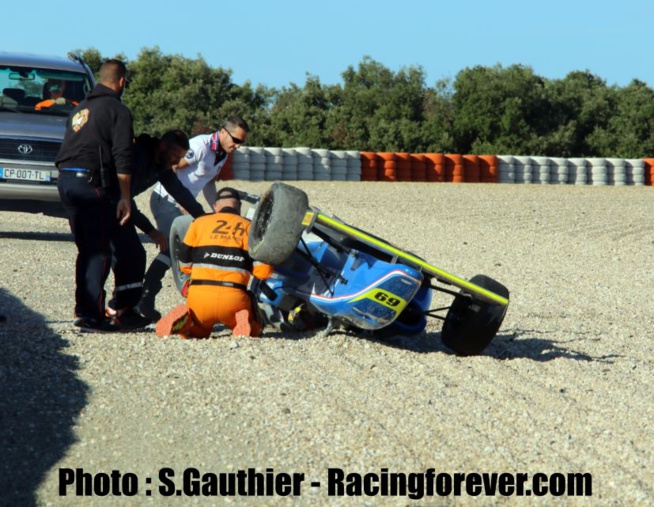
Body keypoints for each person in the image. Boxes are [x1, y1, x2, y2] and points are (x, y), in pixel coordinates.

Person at [137, 116, 249, 321]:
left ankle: (152, 296)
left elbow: (207, 183)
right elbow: (171, 168)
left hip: (185, 204)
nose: (237, 145)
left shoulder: (222, 154)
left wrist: (217, 210)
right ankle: (146, 296)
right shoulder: (201, 146)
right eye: (236, 140)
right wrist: (182, 201)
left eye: (241, 142)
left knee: (182, 248)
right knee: (177, 248)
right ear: (224, 132)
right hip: (167, 200)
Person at [55, 58, 139, 332]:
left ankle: (84, 310)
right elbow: (123, 156)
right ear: (122, 82)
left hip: (66, 181)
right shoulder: (117, 110)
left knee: (88, 248)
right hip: (90, 184)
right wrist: (125, 197)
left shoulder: (82, 108)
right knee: (99, 251)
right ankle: (91, 315)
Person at [106, 130, 207, 320]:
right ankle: (116, 308)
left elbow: (180, 193)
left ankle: (123, 307)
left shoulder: (160, 164)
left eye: (181, 157)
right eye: (176, 156)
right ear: (163, 146)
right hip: (105, 204)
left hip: (120, 207)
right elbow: (124, 198)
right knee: (122, 256)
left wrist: (204, 218)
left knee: (133, 255)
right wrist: (151, 231)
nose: (177, 162)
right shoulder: (139, 157)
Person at [155, 187, 273, 339]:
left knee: (197, 332)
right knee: (254, 327)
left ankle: (186, 322)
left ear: (216, 206)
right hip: (233, 298)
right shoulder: (250, 227)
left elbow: (184, 265)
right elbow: (263, 272)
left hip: (199, 296)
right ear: (239, 207)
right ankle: (245, 323)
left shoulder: (198, 223)